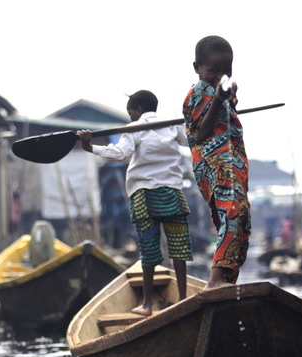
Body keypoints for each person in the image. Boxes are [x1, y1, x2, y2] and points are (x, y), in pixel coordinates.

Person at [76, 90, 193, 315]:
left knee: (148, 249)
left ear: (138, 111)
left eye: (131, 114)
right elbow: (192, 140)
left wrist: (90, 147)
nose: (130, 118)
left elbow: (121, 154)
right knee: (179, 246)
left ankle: (148, 304)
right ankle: (184, 299)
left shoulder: (134, 128)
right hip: (172, 194)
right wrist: (195, 122)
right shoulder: (172, 124)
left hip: (145, 196)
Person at [183, 35, 250, 290]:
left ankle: (227, 281)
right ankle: (216, 280)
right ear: (197, 68)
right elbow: (200, 132)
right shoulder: (198, 92)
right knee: (231, 211)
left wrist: (229, 97)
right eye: (213, 70)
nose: (219, 75)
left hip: (233, 164)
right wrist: (220, 99)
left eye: (226, 70)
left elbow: (225, 116)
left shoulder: (216, 91)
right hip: (216, 164)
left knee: (241, 222)